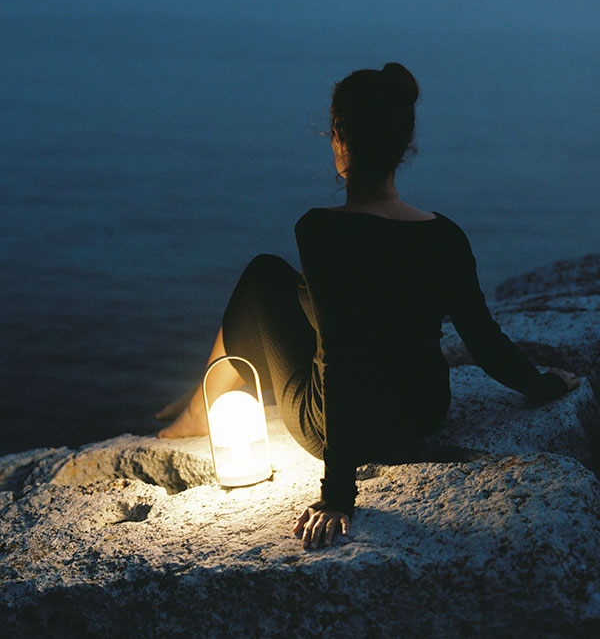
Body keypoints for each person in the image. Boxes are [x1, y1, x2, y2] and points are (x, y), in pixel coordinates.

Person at [155, 62, 579, 551]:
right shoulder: (444, 235)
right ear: (403, 147)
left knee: (263, 276)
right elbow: (482, 338)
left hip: (340, 430)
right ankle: (197, 404)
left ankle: (198, 410)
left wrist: (337, 494)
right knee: (310, 294)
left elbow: (339, 357)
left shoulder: (320, 230)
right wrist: (544, 386)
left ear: (339, 140)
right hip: (422, 411)